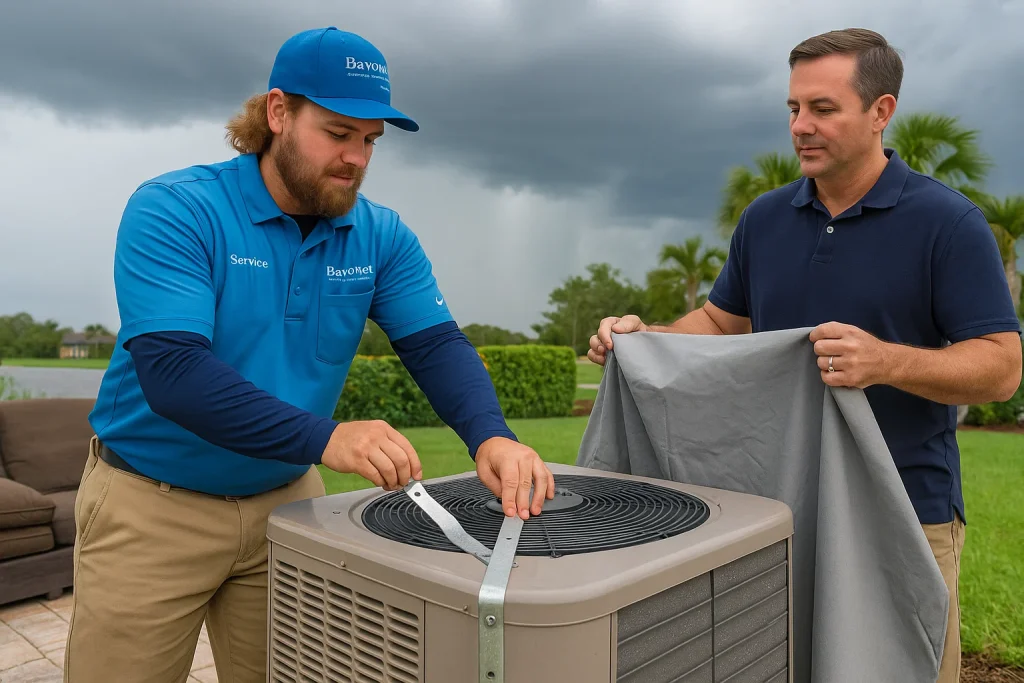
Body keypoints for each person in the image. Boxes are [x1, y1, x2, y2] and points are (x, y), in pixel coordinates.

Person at [65, 26, 554, 683]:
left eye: (370, 140)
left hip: (289, 501)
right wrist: (329, 437)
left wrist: (491, 435)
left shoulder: (380, 235)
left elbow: (435, 342)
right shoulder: (177, 209)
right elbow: (174, 372)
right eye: (337, 131)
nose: (355, 156)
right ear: (278, 113)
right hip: (152, 506)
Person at [589, 28, 1021, 683]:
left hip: (904, 513)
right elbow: (718, 321)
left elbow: (1001, 365)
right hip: (772, 511)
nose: (801, 126)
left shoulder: (947, 223)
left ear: (881, 112)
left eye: (823, 109)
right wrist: (642, 340)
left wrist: (886, 362)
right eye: (793, 109)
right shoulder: (764, 220)